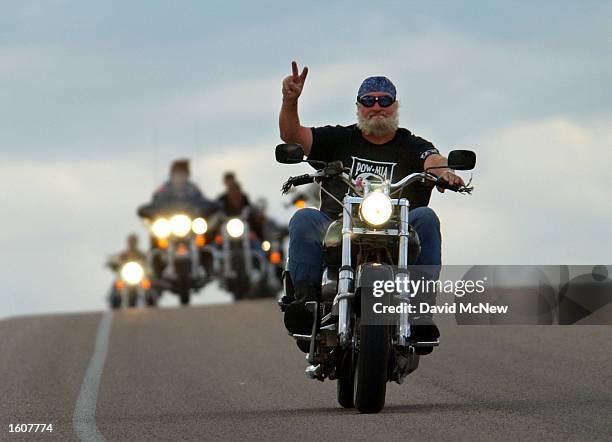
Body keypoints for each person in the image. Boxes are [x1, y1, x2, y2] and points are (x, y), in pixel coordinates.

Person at [279, 61, 465, 348]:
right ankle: (306, 305)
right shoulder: (339, 139)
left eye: (384, 101)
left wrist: (445, 173)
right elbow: (294, 137)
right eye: (369, 101)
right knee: (303, 218)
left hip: (396, 231)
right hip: (338, 229)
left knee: (426, 217)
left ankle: (420, 310)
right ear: (358, 106)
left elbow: (433, 159)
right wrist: (290, 101)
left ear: (395, 106)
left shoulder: (411, 144)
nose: (376, 107)